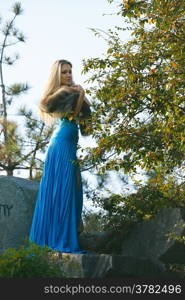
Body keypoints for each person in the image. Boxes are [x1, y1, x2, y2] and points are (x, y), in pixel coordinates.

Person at [29, 59, 92, 254]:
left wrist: (85, 102)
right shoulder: (59, 95)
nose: (68, 75)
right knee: (62, 191)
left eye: (70, 71)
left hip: (70, 148)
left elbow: (87, 130)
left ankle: (65, 235)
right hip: (60, 146)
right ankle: (57, 239)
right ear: (57, 75)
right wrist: (69, 92)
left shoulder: (76, 94)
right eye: (64, 72)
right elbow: (46, 105)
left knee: (73, 193)